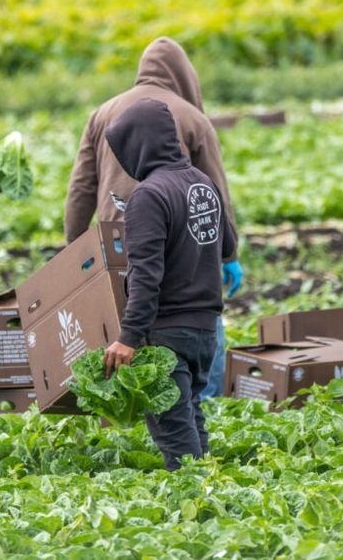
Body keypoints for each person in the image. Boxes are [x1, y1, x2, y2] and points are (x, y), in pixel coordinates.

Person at [64, 36, 242, 400]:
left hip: (115, 246)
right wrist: (228, 255)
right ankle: (199, 406)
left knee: (121, 337)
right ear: (185, 75)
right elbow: (214, 195)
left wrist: (75, 249)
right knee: (191, 335)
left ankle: (132, 427)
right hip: (183, 251)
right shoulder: (193, 118)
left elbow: (81, 187)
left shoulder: (104, 113)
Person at [103, 98, 236, 470]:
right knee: (190, 415)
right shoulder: (202, 182)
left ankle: (200, 510)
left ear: (138, 145)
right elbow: (226, 245)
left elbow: (146, 273)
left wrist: (129, 336)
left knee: (176, 437)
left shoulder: (149, 195)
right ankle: (214, 496)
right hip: (205, 329)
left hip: (167, 334)